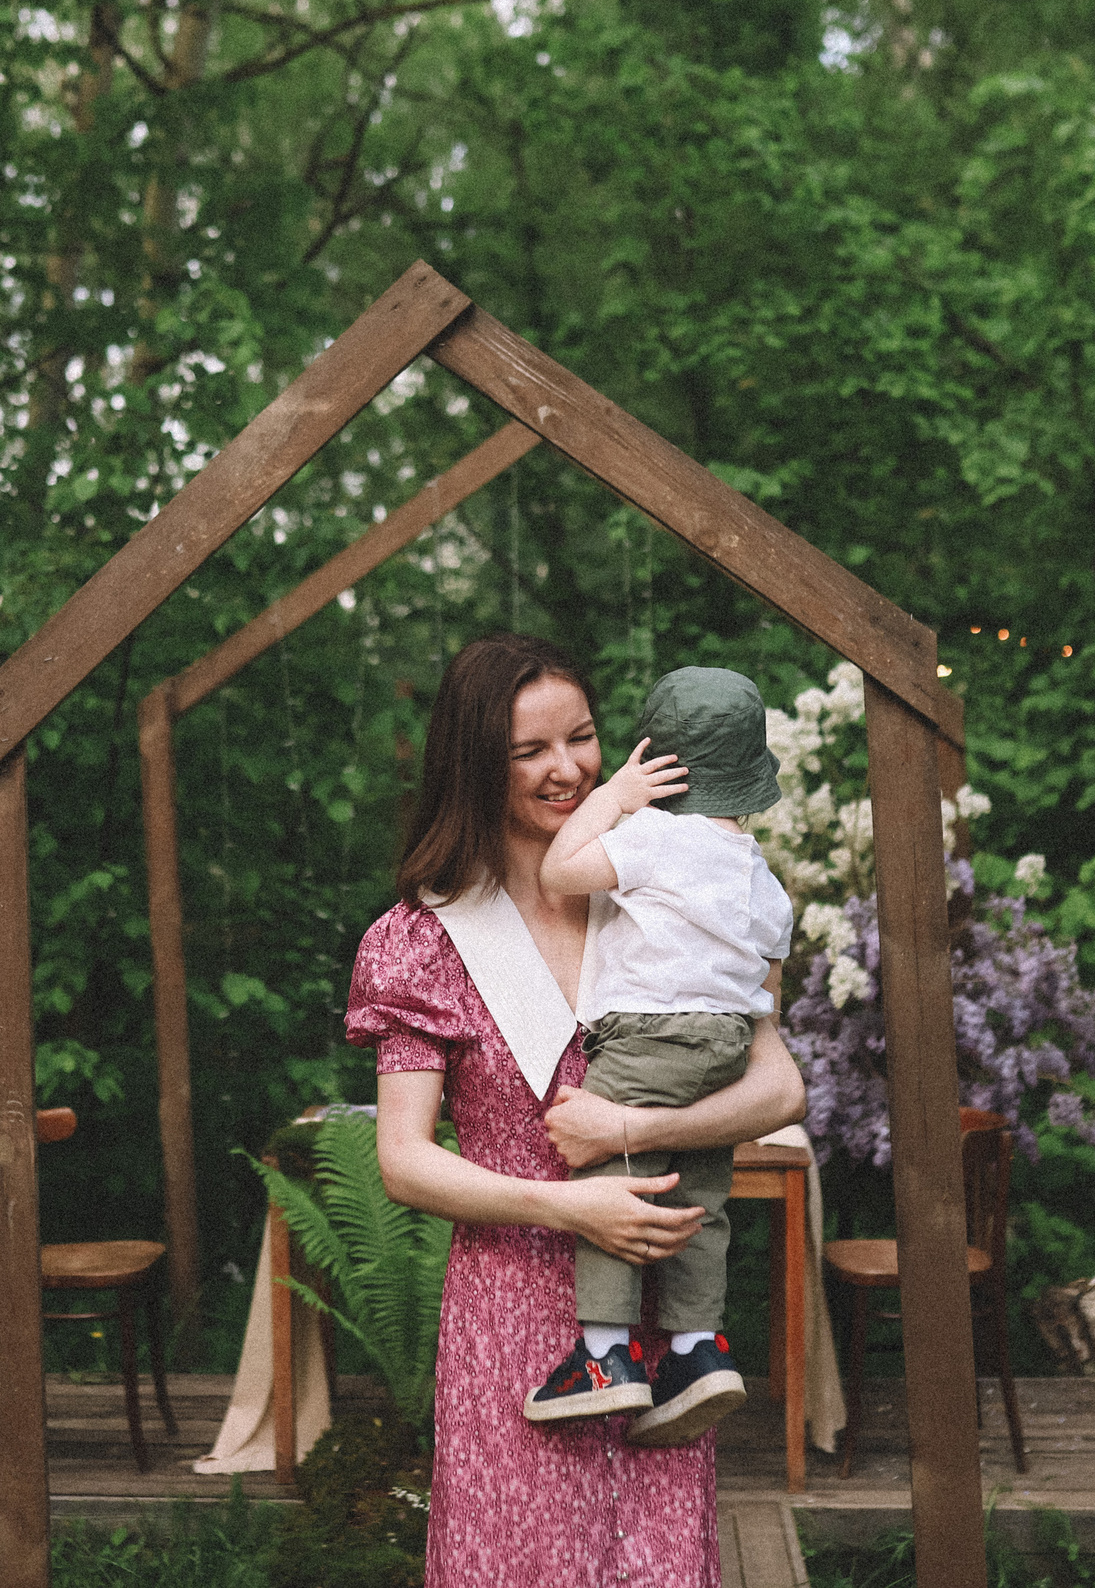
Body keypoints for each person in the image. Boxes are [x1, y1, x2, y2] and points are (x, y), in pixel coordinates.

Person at [347, 634, 807, 1588]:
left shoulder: (660, 889)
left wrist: (635, 1133)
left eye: (584, 737)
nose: (567, 769)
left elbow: (779, 1088)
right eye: (530, 751)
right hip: (511, 1315)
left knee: (660, 1563)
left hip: (659, 1320)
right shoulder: (424, 936)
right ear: (476, 765)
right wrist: (570, 1205)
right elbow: (403, 1159)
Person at [524, 666, 792, 1448]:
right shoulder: (762, 876)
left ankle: (606, 1352)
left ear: (657, 764)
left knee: (616, 1179)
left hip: (648, 1034)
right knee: (698, 1192)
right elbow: (766, 988)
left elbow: (559, 873)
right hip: (729, 1041)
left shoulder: (654, 836)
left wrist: (612, 798)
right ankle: (696, 1347)